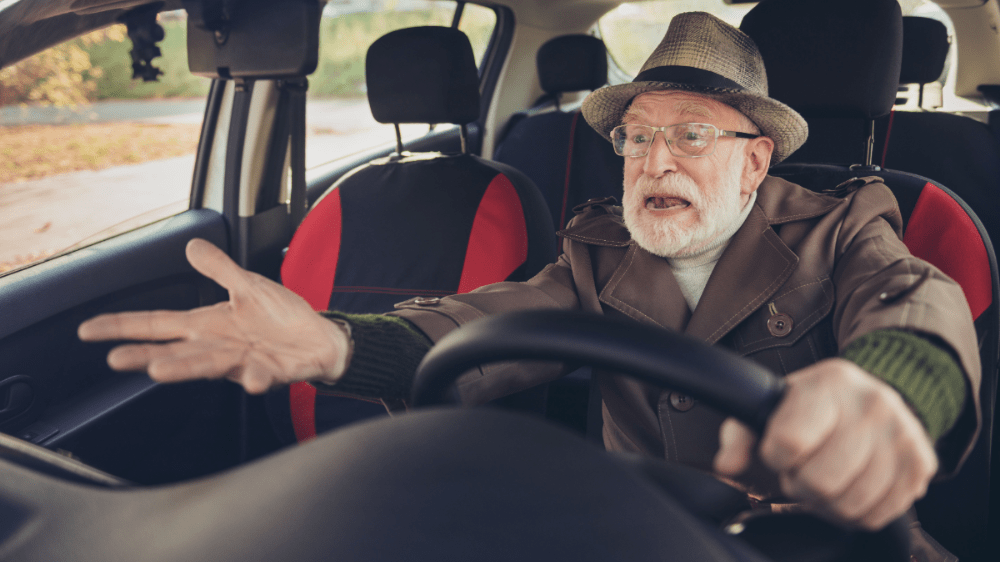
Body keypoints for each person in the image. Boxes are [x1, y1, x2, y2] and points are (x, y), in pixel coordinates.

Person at [78, 12, 979, 541]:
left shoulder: (849, 221)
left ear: (754, 162)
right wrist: (334, 342)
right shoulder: (597, 250)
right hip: (641, 536)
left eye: (692, 135)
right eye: (636, 137)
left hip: (824, 545)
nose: (654, 160)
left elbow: (913, 304)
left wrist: (890, 396)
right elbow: (472, 327)